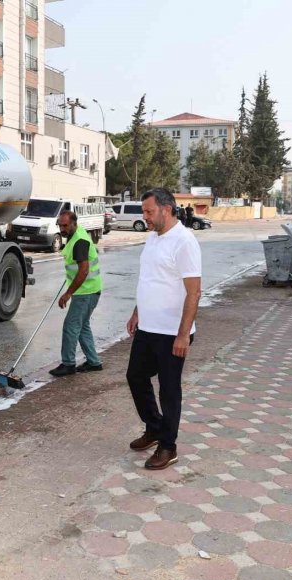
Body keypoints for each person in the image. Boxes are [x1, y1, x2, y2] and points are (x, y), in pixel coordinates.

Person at [126, 187, 202, 470]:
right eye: (144, 211)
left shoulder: (184, 241)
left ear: (166, 210)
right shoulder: (153, 237)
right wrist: (137, 312)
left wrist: (183, 335)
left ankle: (168, 446)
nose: (144, 216)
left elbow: (194, 292)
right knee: (136, 376)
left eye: (149, 211)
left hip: (172, 332)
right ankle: (155, 427)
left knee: (169, 390)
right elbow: (149, 279)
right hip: (148, 327)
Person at [49, 210, 103, 377]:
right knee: (82, 326)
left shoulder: (79, 240)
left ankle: (68, 364)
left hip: (86, 292)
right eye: (60, 225)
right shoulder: (75, 236)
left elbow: (84, 271)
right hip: (88, 290)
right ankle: (94, 362)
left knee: (71, 326)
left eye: (65, 225)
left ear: (74, 223)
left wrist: (68, 293)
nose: (62, 229)